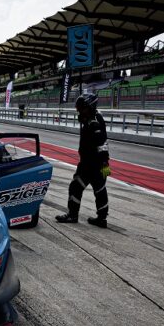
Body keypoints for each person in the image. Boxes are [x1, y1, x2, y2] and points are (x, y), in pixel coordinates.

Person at [55, 93, 111, 228]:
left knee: (78, 187)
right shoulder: (91, 118)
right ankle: (101, 218)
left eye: (82, 108)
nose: (79, 111)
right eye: (78, 108)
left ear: (89, 107)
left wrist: (103, 162)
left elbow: (102, 143)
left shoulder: (94, 122)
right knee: (99, 190)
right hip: (94, 162)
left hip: (92, 164)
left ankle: (73, 215)